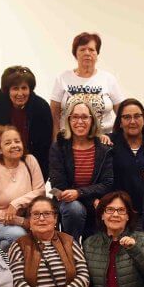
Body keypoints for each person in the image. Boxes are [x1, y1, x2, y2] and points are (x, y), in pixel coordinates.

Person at [47, 100, 114, 238]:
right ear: (69, 120)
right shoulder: (59, 147)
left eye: (84, 117)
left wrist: (79, 193)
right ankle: (71, 247)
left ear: (92, 120)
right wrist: (88, 199)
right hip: (69, 204)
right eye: (75, 117)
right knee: (75, 209)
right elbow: (57, 185)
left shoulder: (104, 149)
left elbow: (107, 183)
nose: (79, 121)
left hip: (95, 204)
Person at [0, 125, 46, 250]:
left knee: (6, 245)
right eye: (8, 143)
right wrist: (19, 220)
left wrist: (16, 204)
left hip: (29, 221)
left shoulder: (30, 161)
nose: (14, 145)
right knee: (18, 235)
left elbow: (40, 192)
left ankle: (2, 258)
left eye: (17, 141)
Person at [50, 32, 125, 134]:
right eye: (82, 49)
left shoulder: (108, 79)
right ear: (75, 54)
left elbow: (122, 113)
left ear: (97, 54)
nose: (87, 53)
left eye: (91, 50)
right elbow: (54, 115)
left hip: (104, 138)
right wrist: (56, 139)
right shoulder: (62, 78)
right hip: (69, 137)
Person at [0, 65, 54, 176]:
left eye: (24, 88)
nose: (20, 93)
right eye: (15, 88)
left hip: (36, 167)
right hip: (5, 167)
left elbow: (46, 145)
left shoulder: (41, 108)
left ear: (30, 89)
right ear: (7, 90)